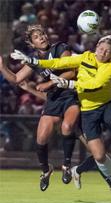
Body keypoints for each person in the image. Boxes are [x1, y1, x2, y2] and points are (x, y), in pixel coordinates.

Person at [12, 35, 111, 202]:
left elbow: (95, 84)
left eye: (107, 51)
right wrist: (32, 61)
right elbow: (57, 63)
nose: (102, 53)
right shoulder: (84, 57)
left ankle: (80, 171)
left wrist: (70, 84)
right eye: (101, 48)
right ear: (97, 46)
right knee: (99, 156)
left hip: (106, 105)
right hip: (88, 112)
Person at [0, 24, 81, 191]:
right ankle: (46, 170)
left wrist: (49, 82)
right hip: (53, 99)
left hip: (70, 94)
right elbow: (16, 79)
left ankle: (66, 165)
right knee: (41, 139)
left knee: (67, 127)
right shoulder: (33, 59)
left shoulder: (61, 47)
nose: (42, 37)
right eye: (37, 37)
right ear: (32, 43)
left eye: (42, 34)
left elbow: (71, 71)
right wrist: (2, 67)